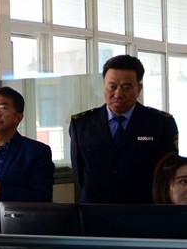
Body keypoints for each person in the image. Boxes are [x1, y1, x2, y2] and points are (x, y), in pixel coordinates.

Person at [69, 54, 178, 204]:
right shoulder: (82, 124)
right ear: (104, 86)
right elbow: (79, 174)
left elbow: (167, 174)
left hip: (143, 210)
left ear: (139, 89)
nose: (118, 94)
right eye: (112, 86)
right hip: (95, 211)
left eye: (126, 87)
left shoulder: (161, 123)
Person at [0, 86, 55, 233]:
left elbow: (43, 199)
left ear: (18, 117)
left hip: (19, 235)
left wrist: (0, 192)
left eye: (3, 108)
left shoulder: (36, 152)